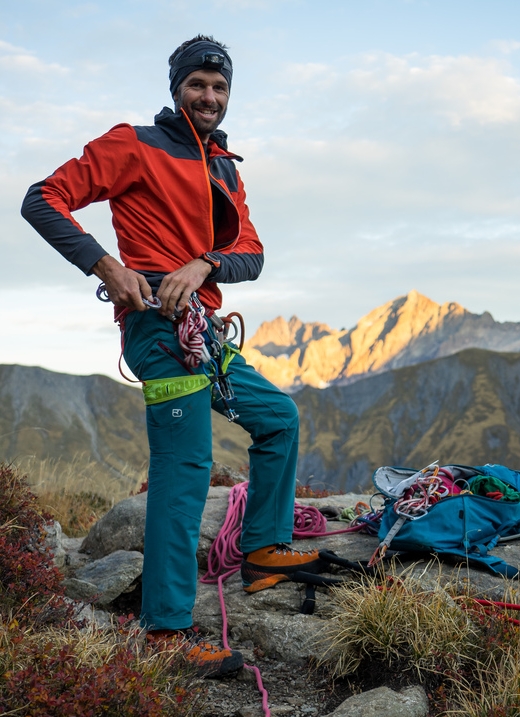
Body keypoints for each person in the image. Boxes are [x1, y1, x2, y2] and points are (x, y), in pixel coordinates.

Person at [21, 35, 323, 677]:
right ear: (177, 87)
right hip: (157, 332)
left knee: (279, 420)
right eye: (197, 85)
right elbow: (41, 198)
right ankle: (166, 628)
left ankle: (265, 551)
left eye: (219, 87)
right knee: (187, 465)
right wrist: (104, 263)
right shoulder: (133, 144)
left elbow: (253, 253)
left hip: (204, 332)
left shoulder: (226, 168)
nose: (209, 97)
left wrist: (206, 261)